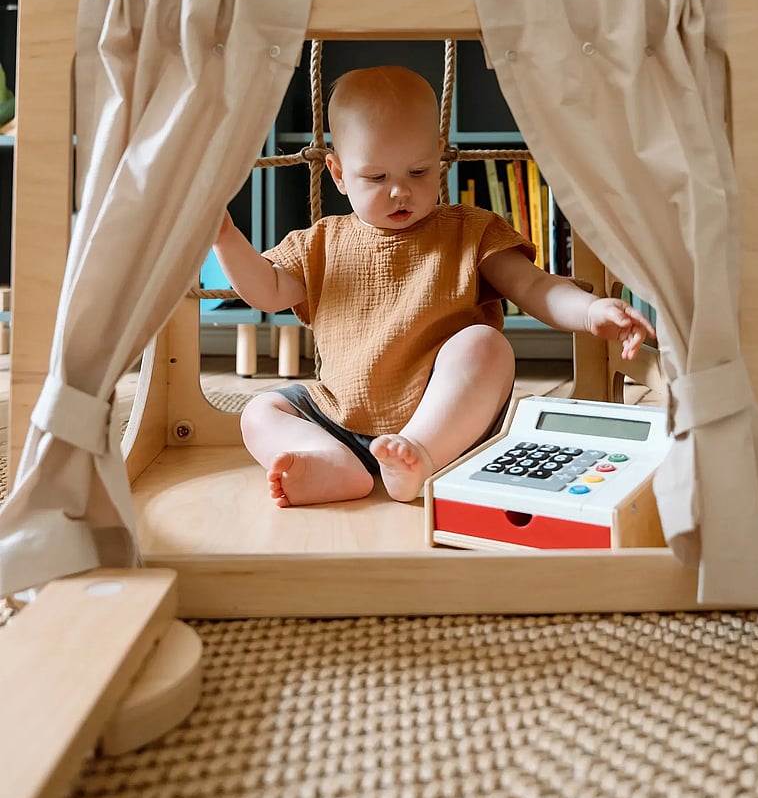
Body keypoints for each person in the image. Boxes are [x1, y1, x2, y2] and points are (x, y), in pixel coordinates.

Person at [213, 66, 655, 508]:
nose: (399, 191)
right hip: (339, 413)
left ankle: (419, 457)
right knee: (258, 412)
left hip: (445, 421)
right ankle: (330, 462)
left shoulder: (470, 230)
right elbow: (266, 290)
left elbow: (536, 287)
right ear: (338, 173)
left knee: (486, 345)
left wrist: (591, 310)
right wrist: (225, 237)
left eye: (418, 171)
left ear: (440, 156)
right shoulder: (322, 241)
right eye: (377, 178)